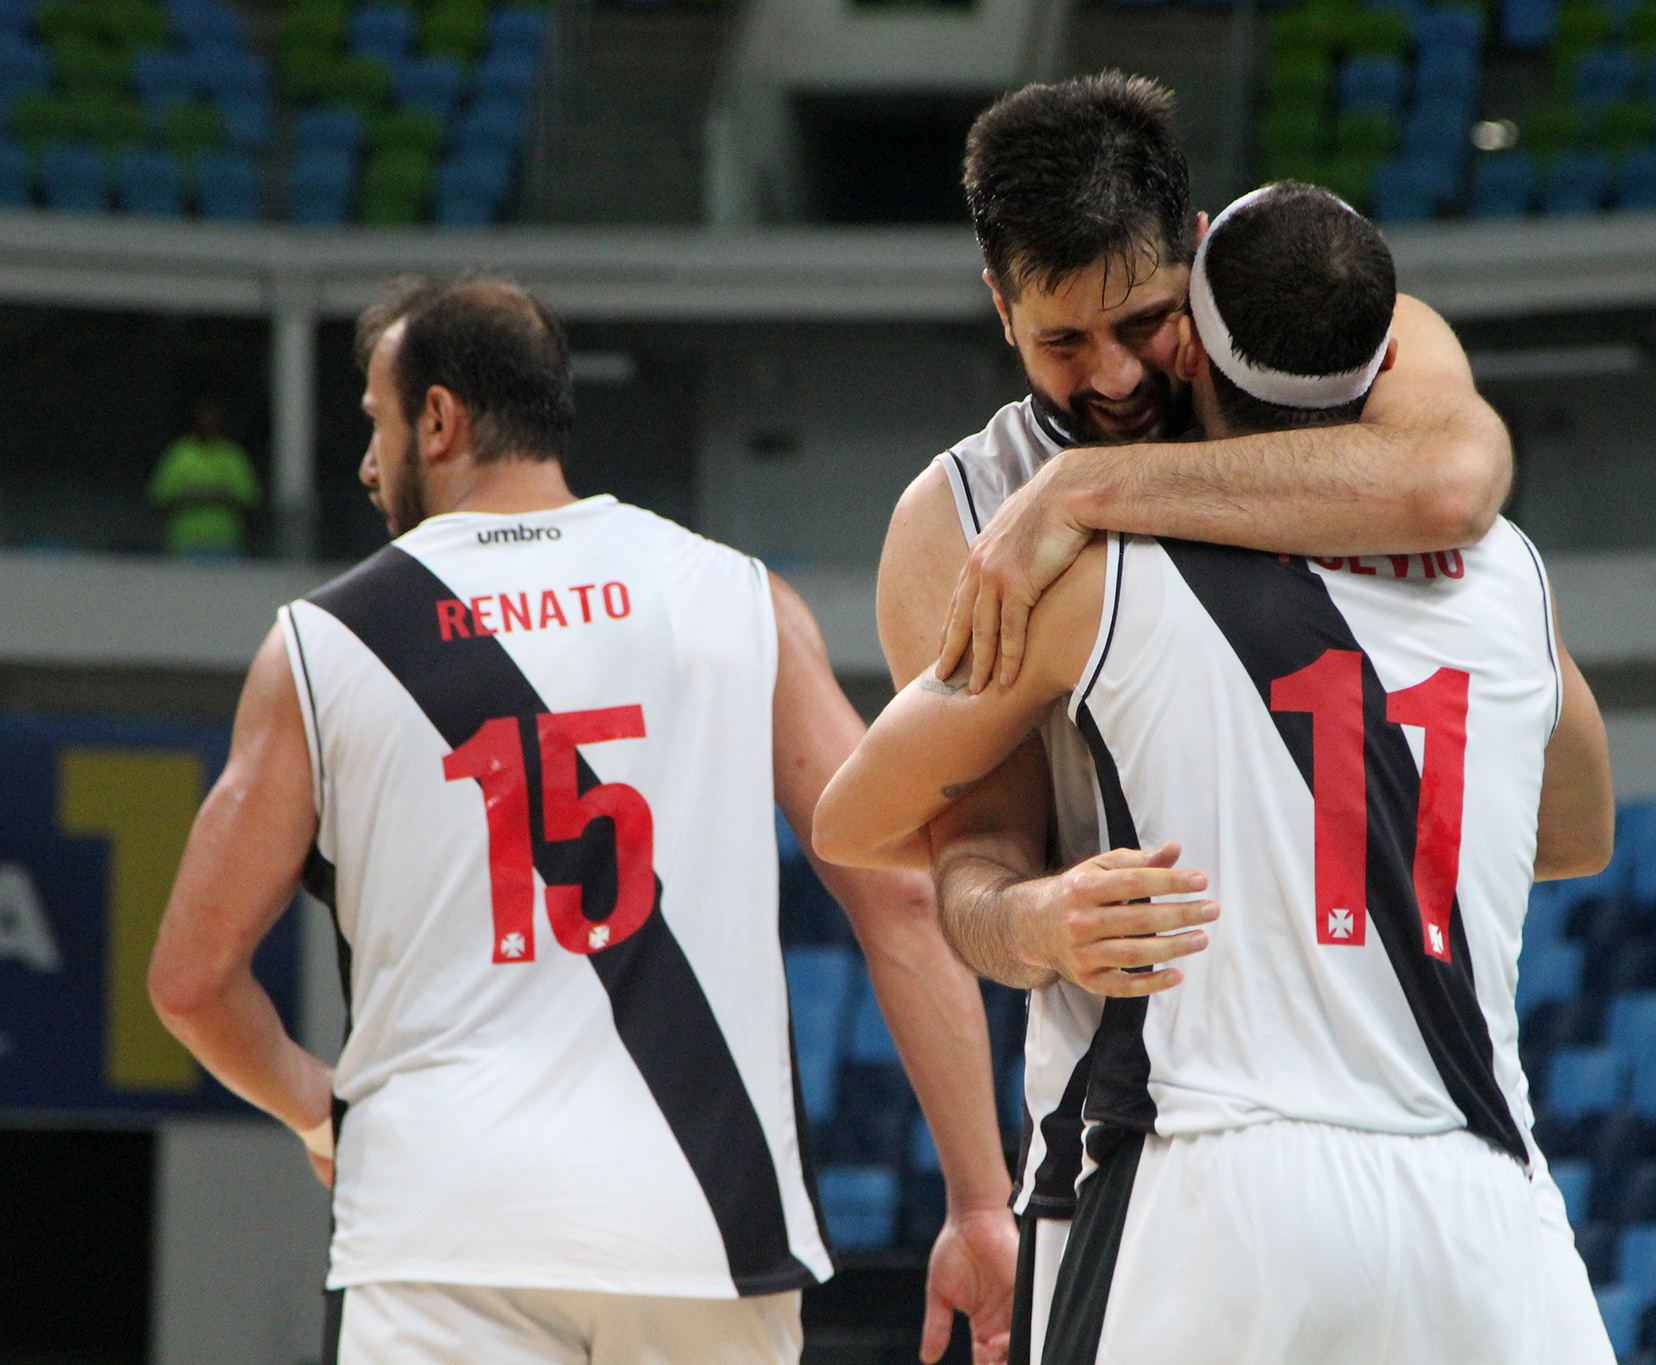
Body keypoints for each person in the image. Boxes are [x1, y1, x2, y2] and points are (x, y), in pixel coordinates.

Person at [147, 277, 1017, 1365]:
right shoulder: (737, 597)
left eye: (376, 423)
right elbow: (900, 896)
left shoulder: (323, 644)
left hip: (438, 1229)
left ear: (438, 419)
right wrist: (980, 1203)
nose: (368, 464)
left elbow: (190, 981)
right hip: (707, 1224)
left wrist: (321, 1113)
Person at [818, 182, 1616, 1363]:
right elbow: (1574, 836)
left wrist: (1080, 500)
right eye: (1065, 339)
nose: (1114, 373)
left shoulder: (1104, 579)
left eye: (1140, 326)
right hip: (1483, 1189)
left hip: (1202, 1174)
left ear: (1193, 326)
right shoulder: (1507, 573)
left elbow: (851, 817)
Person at [150, 396, 263, 558]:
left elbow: (250, 497)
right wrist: (190, 496)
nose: (208, 422)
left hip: (226, 543)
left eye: (213, 418)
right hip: (186, 543)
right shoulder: (179, 454)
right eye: (204, 417)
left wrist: (221, 496)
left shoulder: (232, 455)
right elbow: (160, 497)